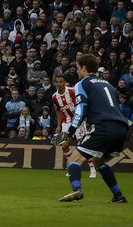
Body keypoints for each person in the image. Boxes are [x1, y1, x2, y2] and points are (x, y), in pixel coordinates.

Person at [55, 54, 128, 203]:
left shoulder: (82, 83)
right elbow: (118, 107)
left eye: (78, 67)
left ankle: (76, 190)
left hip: (104, 127)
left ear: (84, 68)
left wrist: (69, 133)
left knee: (73, 161)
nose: (77, 71)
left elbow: (80, 110)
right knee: (98, 162)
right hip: (121, 128)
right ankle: (118, 196)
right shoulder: (108, 85)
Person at [52, 75, 96, 178]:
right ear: (55, 84)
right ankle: (72, 168)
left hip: (78, 120)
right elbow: (58, 111)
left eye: (61, 82)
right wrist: (58, 125)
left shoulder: (72, 91)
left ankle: (92, 168)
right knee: (64, 146)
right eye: (57, 82)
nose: (59, 84)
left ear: (65, 82)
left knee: (82, 145)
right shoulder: (54, 97)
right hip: (66, 122)